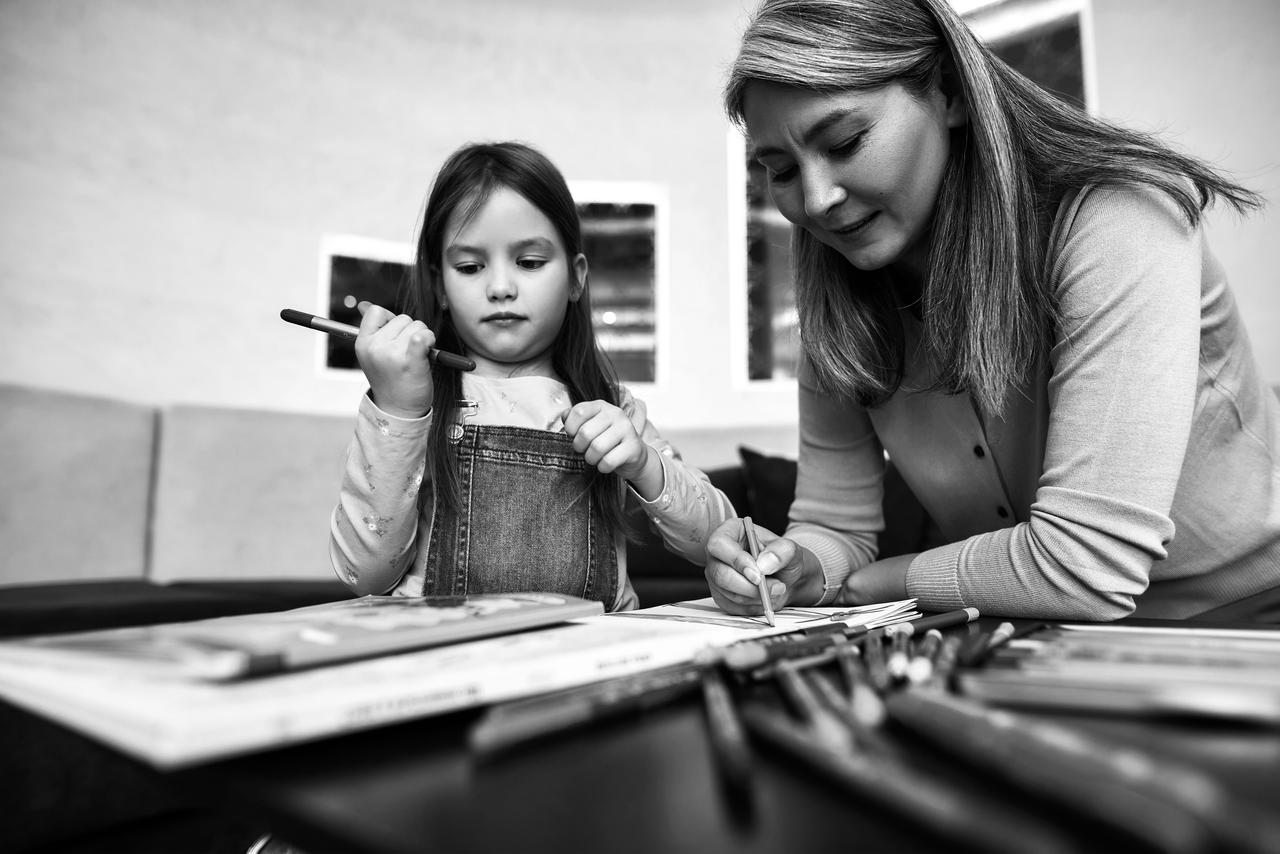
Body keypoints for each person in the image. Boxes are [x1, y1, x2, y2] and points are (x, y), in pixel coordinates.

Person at [705, 0, 1280, 621]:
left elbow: (1085, 565)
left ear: (948, 92)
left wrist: (872, 585)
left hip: (1249, 620)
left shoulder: (1119, 215)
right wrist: (795, 568)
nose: (816, 200)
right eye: (781, 170)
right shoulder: (835, 288)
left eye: (846, 142)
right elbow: (833, 523)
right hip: (1035, 634)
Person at [330, 141, 734, 610]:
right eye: (469, 266)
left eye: (529, 262)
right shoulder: (413, 400)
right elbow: (364, 574)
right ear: (440, 285)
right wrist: (398, 409)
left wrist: (644, 464)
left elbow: (717, 540)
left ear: (576, 278)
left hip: (591, 660)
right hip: (452, 664)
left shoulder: (610, 405)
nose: (501, 287)